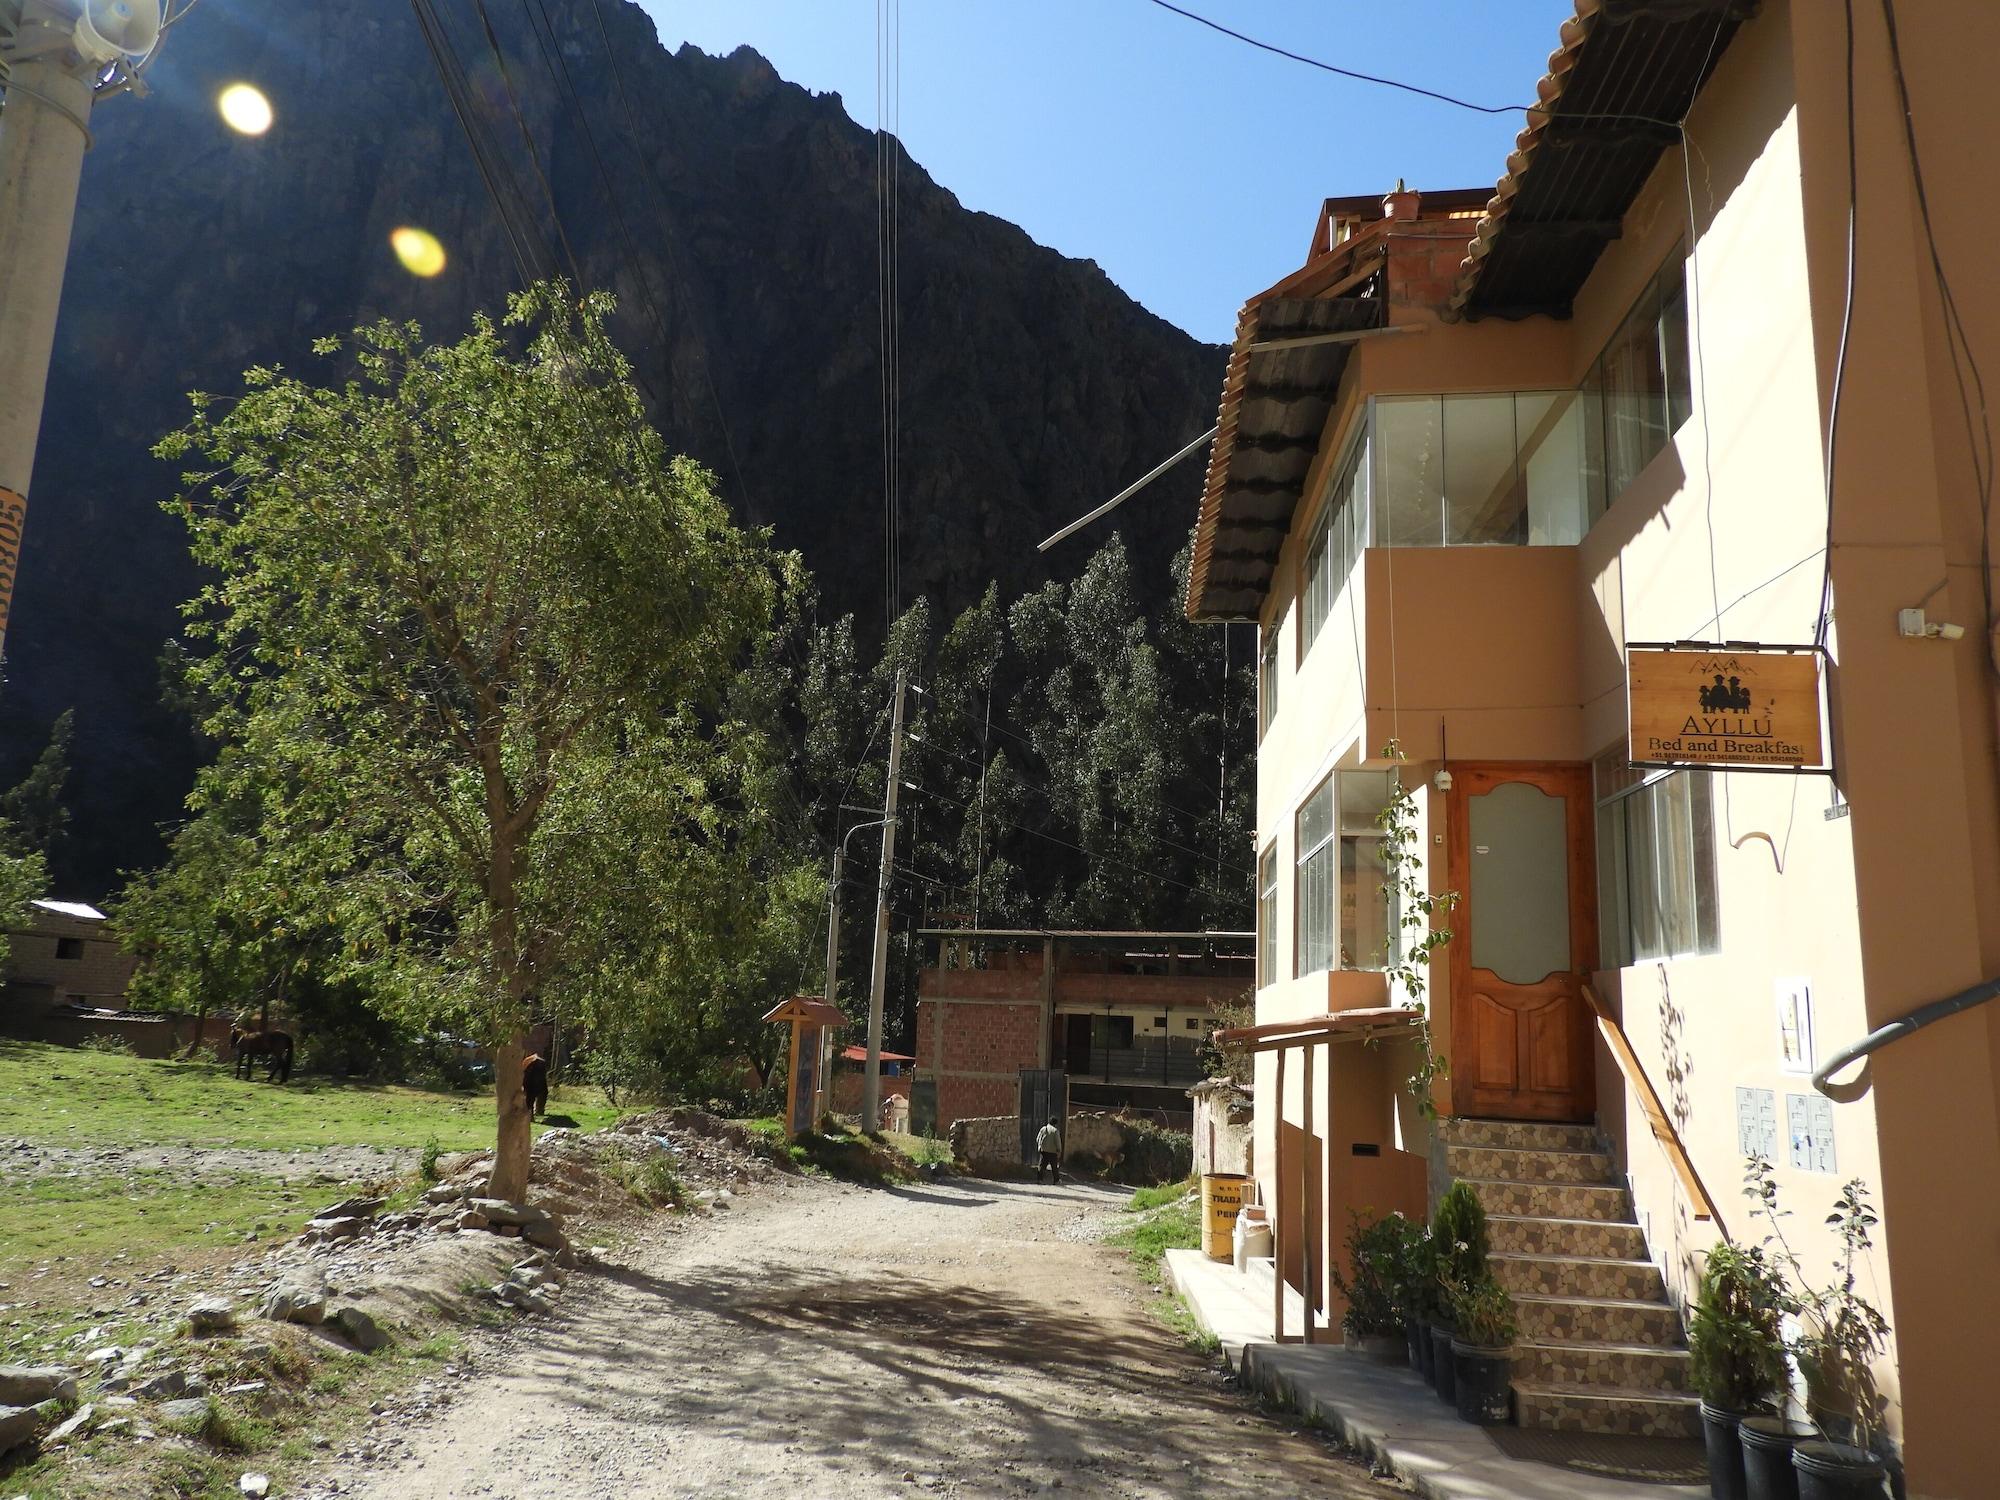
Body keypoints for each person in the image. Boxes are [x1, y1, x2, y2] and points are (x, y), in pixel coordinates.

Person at [1035, 1118, 1062, 1184]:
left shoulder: (1043, 1129)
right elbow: (1057, 1141)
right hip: (1052, 1152)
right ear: (1055, 1124)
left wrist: (1040, 1146)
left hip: (1043, 1150)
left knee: (1042, 1166)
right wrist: (1059, 1150)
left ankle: (1040, 1179)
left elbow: (1038, 1139)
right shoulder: (1055, 1131)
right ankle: (1056, 1180)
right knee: (1054, 1167)